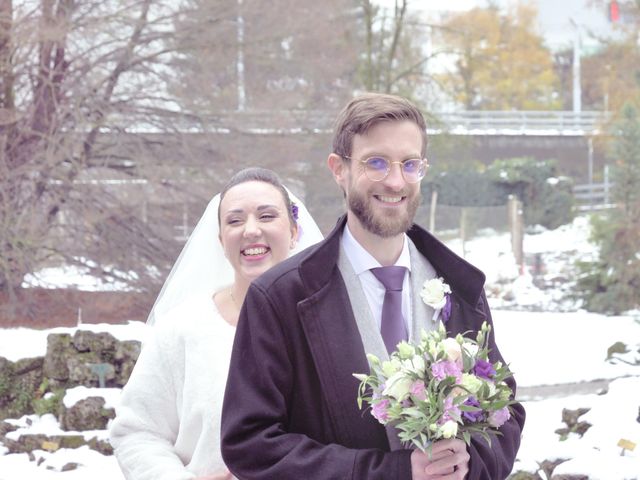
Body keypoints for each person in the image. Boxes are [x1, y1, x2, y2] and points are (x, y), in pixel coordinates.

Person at [221, 93, 526, 479]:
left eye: (410, 164)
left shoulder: (461, 286)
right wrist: (389, 473)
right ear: (339, 169)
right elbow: (250, 444)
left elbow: (504, 411)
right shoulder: (280, 296)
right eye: (376, 163)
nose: (396, 181)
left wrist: (471, 461)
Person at [109, 167, 323, 480]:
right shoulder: (182, 328)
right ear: (221, 239)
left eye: (266, 216)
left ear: (293, 231)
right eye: (235, 220)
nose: (250, 230)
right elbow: (137, 431)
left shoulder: (329, 324)